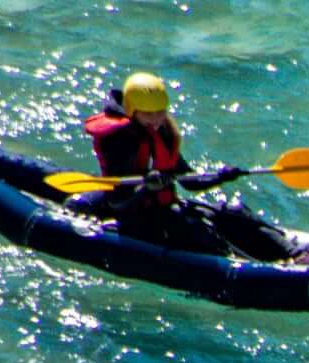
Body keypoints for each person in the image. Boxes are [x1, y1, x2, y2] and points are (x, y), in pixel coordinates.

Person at [75, 71, 295, 260]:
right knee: (195, 230)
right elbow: (117, 202)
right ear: (133, 111)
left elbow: (189, 181)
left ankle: (291, 253)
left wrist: (222, 176)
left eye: (160, 112)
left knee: (234, 213)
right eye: (149, 114)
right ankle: (245, 263)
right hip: (134, 219)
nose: (157, 119)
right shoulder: (120, 140)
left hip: (165, 209)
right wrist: (146, 187)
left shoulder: (162, 131)